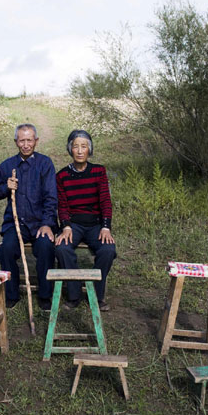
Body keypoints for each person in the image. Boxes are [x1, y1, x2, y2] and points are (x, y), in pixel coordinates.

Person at [0, 123, 57, 311]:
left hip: (39, 223)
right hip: (15, 223)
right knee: (6, 250)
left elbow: (52, 197)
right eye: (22, 140)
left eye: (30, 140)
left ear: (36, 141)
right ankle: (12, 294)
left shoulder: (45, 164)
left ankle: (45, 295)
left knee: (45, 247)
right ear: (16, 142)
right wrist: (6, 186)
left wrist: (47, 224)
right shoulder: (7, 166)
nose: (26, 144)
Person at [55, 129, 116, 311]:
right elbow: (62, 205)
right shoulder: (62, 176)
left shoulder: (98, 171)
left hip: (95, 224)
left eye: (84, 146)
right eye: (76, 146)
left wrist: (106, 227)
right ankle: (74, 295)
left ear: (90, 149)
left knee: (108, 250)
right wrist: (65, 226)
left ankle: (96, 296)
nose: (80, 151)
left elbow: (105, 200)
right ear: (70, 149)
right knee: (62, 248)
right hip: (73, 225)